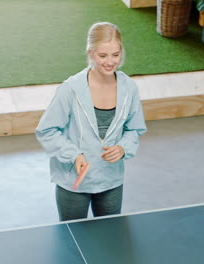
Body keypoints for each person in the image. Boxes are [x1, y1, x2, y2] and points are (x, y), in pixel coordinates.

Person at [35, 22, 147, 221]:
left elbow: (134, 128)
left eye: (116, 54)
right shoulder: (69, 89)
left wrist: (123, 147)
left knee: (108, 237)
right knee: (73, 239)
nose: (110, 62)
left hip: (111, 180)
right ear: (90, 53)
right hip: (74, 183)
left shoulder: (129, 88)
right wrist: (73, 155)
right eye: (102, 56)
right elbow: (47, 130)